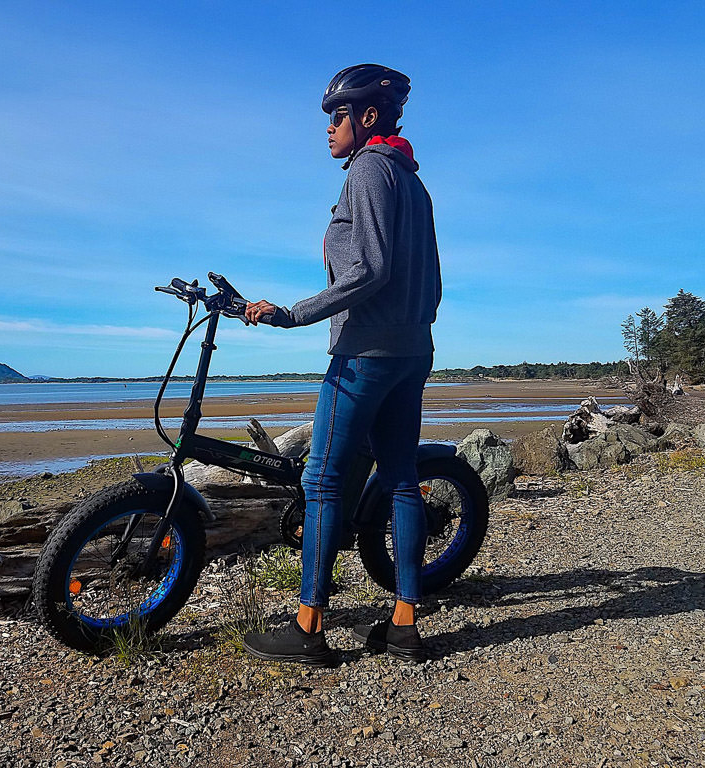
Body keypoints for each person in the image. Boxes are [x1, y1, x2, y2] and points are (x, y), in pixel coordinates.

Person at [241, 64, 442, 666]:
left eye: (338, 116)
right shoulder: (413, 182)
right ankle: (404, 624)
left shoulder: (369, 170)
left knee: (323, 480)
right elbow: (432, 282)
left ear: (368, 116)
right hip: (413, 351)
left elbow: (369, 269)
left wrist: (292, 314)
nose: (329, 128)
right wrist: (411, 329)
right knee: (400, 479)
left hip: (364, 356)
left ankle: (308, 626)